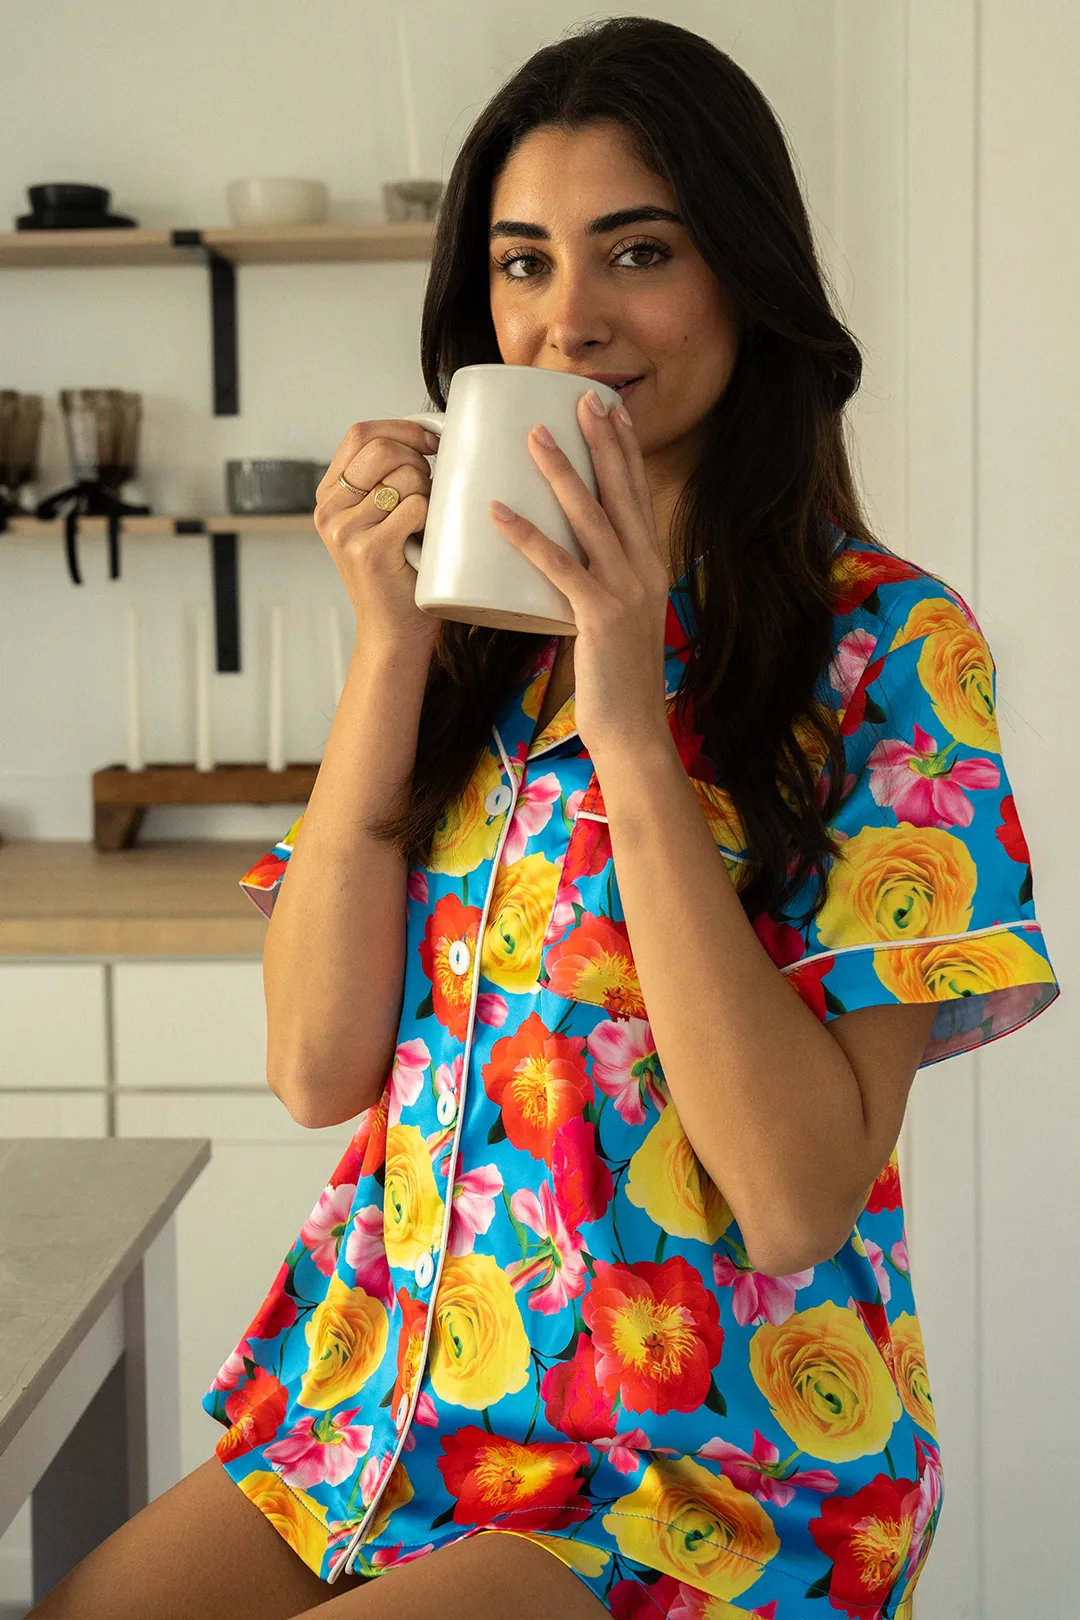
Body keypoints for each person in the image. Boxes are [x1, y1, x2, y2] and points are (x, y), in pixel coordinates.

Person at [28, 15, 1060, 1620]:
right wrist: (391, 647)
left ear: (745, 277)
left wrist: (633, 718)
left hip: (695, 1462)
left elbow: (797, 1198)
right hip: (377, 1407)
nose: (570, 318)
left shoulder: (888, 649)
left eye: (636, 251)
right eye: (522, 264)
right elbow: (315, 1069)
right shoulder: (459, 637)